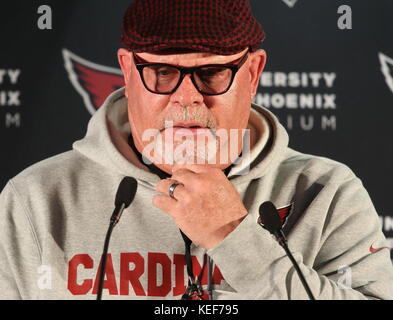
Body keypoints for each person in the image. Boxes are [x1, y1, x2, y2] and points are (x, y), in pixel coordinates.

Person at [0, 0, 392, 300]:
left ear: (252, 73)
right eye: (163, 73)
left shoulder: (327, 192)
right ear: (127, 70)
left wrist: (234, 237)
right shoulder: (35, 200)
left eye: (211, 73)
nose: (187, 99)